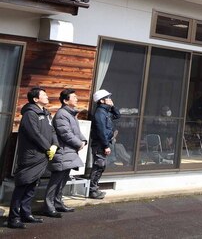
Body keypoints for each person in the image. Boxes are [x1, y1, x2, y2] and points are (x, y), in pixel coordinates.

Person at [7, 87, 57, 229]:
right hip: (31, 156)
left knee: (32, 186)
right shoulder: (30, 113)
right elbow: (34, 134)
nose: (47, 97)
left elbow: (52, 131)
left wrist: (55, 145)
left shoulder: (46, 113)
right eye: (44, 95)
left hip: (42, 156)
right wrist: (48, 148)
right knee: (23, 185)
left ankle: (26, 214)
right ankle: (13, 218)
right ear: (35, 99)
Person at [44, 88, 87, 217]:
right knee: (56, 180)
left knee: (63, 179)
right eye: (73, 97)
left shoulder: (71, 114)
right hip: (62, 152)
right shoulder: (62, 114)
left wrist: (83, 140)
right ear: (65, 100)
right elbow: (65, 133)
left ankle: (58, 203)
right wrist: (79, 143)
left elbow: (76, 132)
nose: (76, 99)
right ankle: (48, 206)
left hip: (69, 152)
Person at [89, 89, 120, 199]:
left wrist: (113, 106)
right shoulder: (100, 113)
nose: (110, 99)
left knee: (101, 166)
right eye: (108, 98)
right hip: (100, 144)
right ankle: (92, 190)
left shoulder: (106, 111)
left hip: (103, 143)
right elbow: (101, 131)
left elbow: (117, 116)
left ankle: (95, 189)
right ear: (101, 101)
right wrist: (105, 146)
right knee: (98, 166)